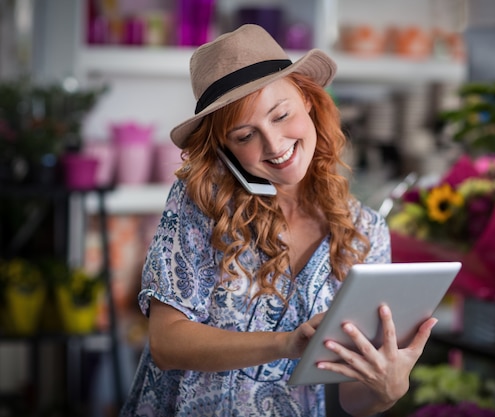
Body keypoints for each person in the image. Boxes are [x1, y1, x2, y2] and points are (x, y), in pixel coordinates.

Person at [120, 24, 437, 417]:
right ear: (224, 147)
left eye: (281, 114)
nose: (274, 145)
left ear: (305, 97)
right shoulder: (201, 202)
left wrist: (387, 387)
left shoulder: (365, 231)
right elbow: (166, 344)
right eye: (245, 135)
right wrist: (286, 343)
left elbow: (353, 398)